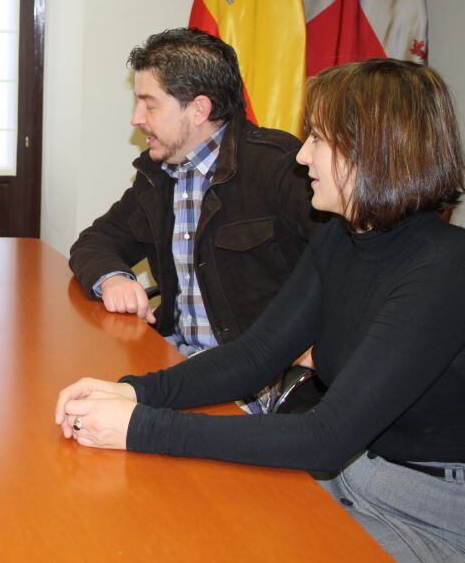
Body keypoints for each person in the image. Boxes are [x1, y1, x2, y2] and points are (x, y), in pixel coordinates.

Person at [54, 59, 465, 562]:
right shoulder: (342, 238)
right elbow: (255, 356)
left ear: (375, 151)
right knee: (184, 525)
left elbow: (325, 437)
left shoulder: (446, 271)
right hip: (358, 480)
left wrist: (139, 427)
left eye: (320, 140)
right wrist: (134, 391)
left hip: (453, 524)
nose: (303, 156)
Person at [68, 28, 316, 404]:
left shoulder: (282, 167)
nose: (136, 118)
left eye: (150, 104)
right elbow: (96, 240)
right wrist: (115, 279)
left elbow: (349, 271)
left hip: (254, 386)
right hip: (176, 362)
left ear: (199, 109)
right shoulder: (160, 174)